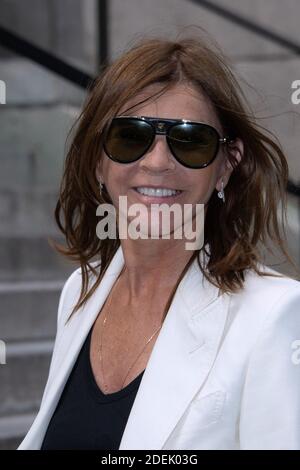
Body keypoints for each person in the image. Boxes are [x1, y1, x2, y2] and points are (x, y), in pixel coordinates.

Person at [18, 33, 300, 450]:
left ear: (226, 166)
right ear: (98, 160)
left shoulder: (274, 315)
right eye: (130, 136)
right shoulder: (79, 291)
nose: (156, 162)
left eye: (190, 140)